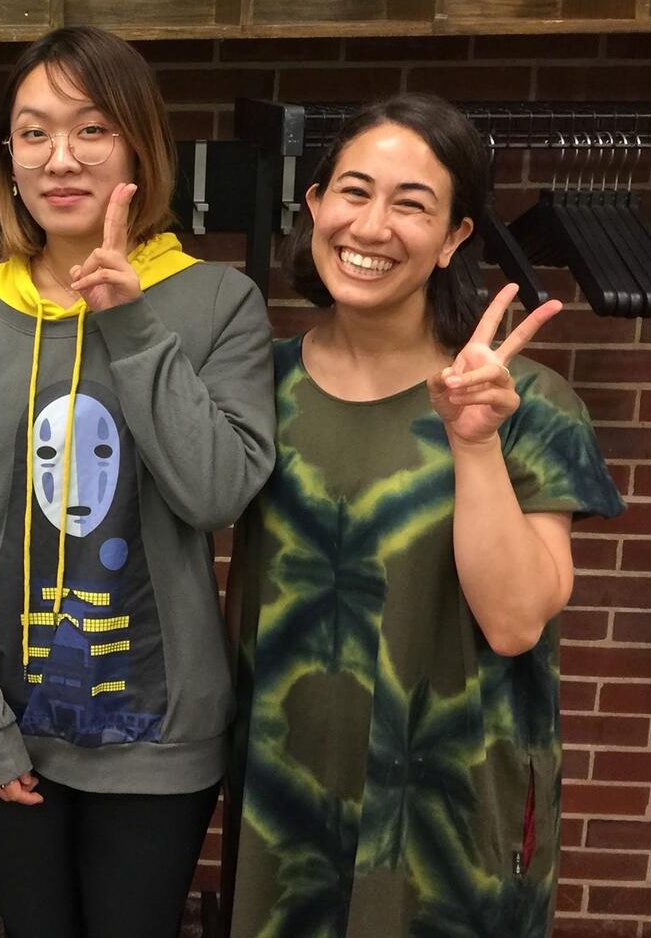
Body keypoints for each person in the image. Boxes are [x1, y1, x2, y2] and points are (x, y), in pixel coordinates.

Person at [0, 26, 276, 938]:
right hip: (6, 720)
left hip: (162, 733)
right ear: (9, 158)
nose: (59, 157)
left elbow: (217, 490)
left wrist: (127, 321)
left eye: (90, 129)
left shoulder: (218, 303)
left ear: (139, 144)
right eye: (33, 133)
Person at [223, 94, 625, 938]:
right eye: (353, 191)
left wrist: (474, 444)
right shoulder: (256, 389)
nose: (371, 227)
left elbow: (516, 621)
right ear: (314, 205)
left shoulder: (532, 407)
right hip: (284, 807)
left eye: (411, 205)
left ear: (453, 239)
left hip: (451, 823)